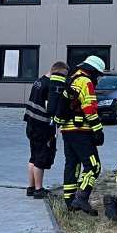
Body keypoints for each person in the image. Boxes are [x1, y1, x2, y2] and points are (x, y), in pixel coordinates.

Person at [58, 55, 106, 214]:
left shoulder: (72, 79)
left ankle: (70, 201)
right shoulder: (86, 82)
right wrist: (98, 130)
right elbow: (90, 109)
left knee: (72, 165)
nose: (98, 78)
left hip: (66, 130)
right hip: (81, 131)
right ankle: (82, 198)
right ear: (92, 71)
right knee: (93, 166)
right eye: (98, 74)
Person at [23, 61, 69, 198]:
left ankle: (30, 187)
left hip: (31, 124)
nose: (64, 79)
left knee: (33, 156)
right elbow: (51, 108)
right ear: (59, 72)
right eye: (64, 75)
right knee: (41, 158)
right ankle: (38, 189)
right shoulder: (52, 86)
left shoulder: (39, 81)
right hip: (42, 126)